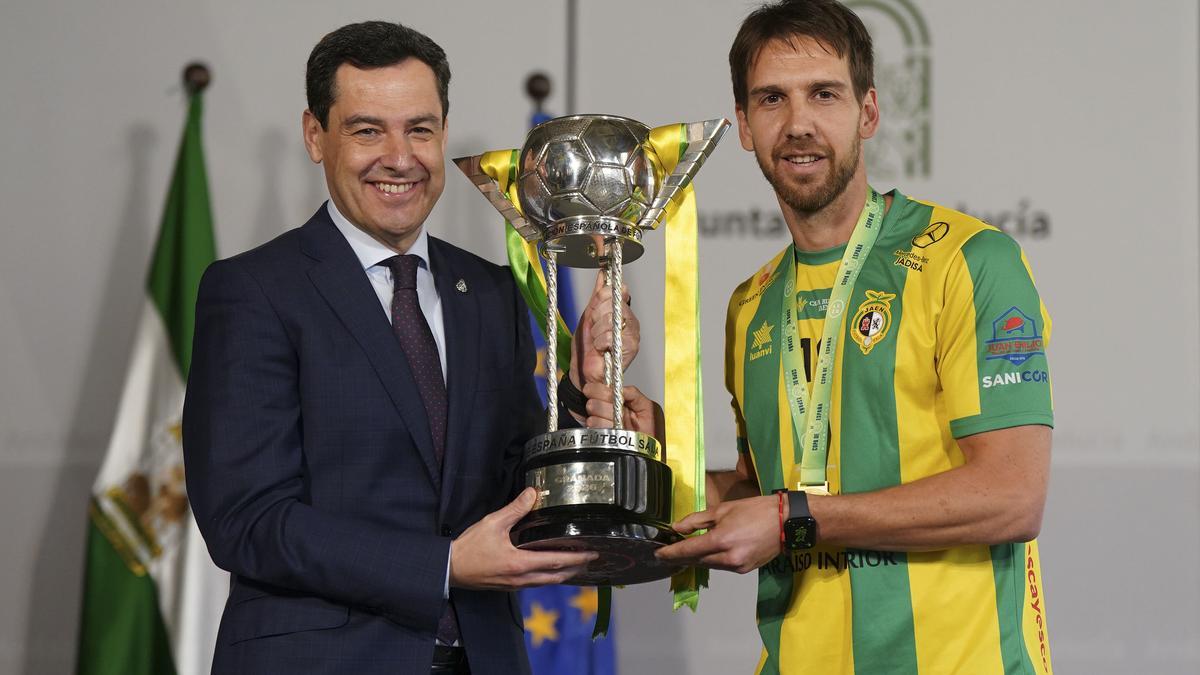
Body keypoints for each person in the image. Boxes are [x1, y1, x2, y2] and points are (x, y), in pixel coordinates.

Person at [182, 21, 650, 675]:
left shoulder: (491, 291)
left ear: (444, 134)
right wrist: (446, 565)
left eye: (420, 129)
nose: (399, 157)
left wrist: (578, 405)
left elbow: (512, 484)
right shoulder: (253, 291)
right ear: (316, 136)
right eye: (368, 129)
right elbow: (249, 520)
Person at [655, 2, 1055, 673]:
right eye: (772, 99)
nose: (798, 123)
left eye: (824, 94)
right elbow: (765, 488)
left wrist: (793, 519)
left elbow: (1012, 495)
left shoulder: (970, 261)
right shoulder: (751, 306)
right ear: (745, 126)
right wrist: (653, 454)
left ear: (868, 112)